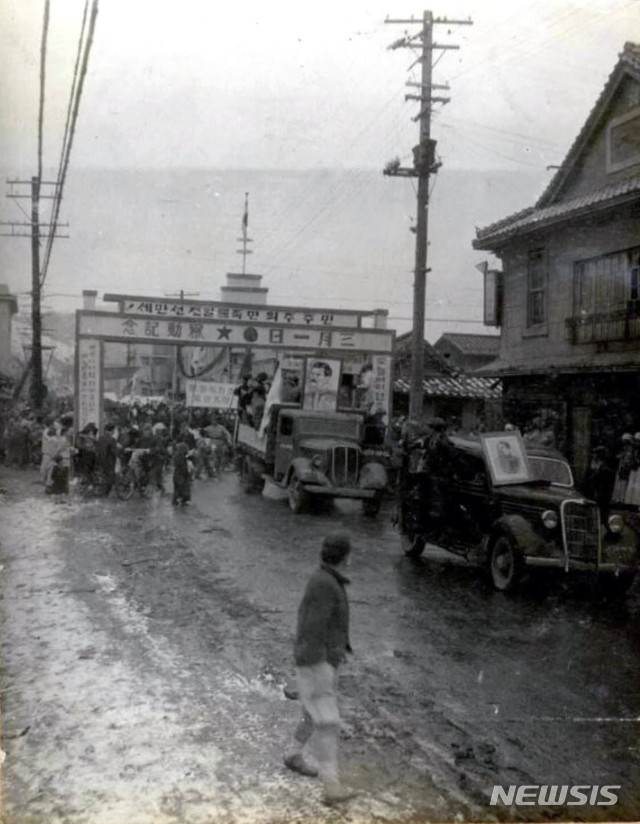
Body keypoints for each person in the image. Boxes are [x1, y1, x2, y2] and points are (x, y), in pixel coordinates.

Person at [284, 533, 356, 806]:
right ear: (345, 556)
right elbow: (311, 630)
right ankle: (332, 786)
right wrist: (315, 670)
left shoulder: (325, 580)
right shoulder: (324, 584)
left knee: (311, 714)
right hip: (318, 662)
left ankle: (292, 754)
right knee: (328, 722)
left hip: (320, 661)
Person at [95, 423, 118, 496]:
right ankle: (106, 493)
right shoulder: (112, 440)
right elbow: (114, 451)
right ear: (112, 430)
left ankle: (101, 490)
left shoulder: (100, 438)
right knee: (110, 476)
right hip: (108, 461)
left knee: (102, 475)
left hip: (99, 460)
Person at [172, 441, 192, 506]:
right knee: (182, 487)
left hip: (178, 474)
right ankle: (181, 501)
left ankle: (177, 500)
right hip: (180, 475)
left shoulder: (179, 456)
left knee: (178, 488)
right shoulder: (180, 457)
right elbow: (181, 466)